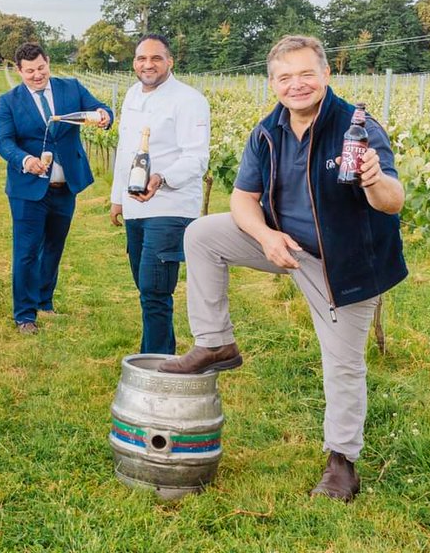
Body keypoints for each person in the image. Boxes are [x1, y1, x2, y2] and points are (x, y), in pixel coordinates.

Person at [159, 35, 406, 503]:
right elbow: (241, 199)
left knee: (342, 363)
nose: (297, 85)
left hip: (342, 264)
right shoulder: (267, 130)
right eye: (285, 77)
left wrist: (374, 181)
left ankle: (342, 461)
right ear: (272, 83)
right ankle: (216, 344)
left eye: (306, 73)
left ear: (326, 74)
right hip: (284, 244)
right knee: (202, 234)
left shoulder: (358, 127)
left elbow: (392, 202)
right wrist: (267, 237)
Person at [0, 42, 112, 333]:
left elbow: (102, 108)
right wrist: (26, 160)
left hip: (65, 187)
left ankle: (44, 303)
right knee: (26, 251)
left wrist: (105, 116)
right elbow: (4, 142)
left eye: (41, 68)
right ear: (19, 71)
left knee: (54, 248)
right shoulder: (8, 101)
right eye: (30, 71)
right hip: (28, 189)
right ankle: (25, 314)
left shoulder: (70, 88)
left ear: (48, 62)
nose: (37, 75)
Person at [109, 35, 210, 355]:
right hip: (136, 206)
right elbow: (125, 151)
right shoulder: (131, 95)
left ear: (170, 62)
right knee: (145, 286)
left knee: (155, 290)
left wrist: (162, 179)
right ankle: (159, 354)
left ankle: (155, 365)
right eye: (141, 58)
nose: (147, 64)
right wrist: (117, 198)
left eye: (156, 58)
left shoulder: (189, 100)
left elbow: (197, 158)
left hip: (171, 205)